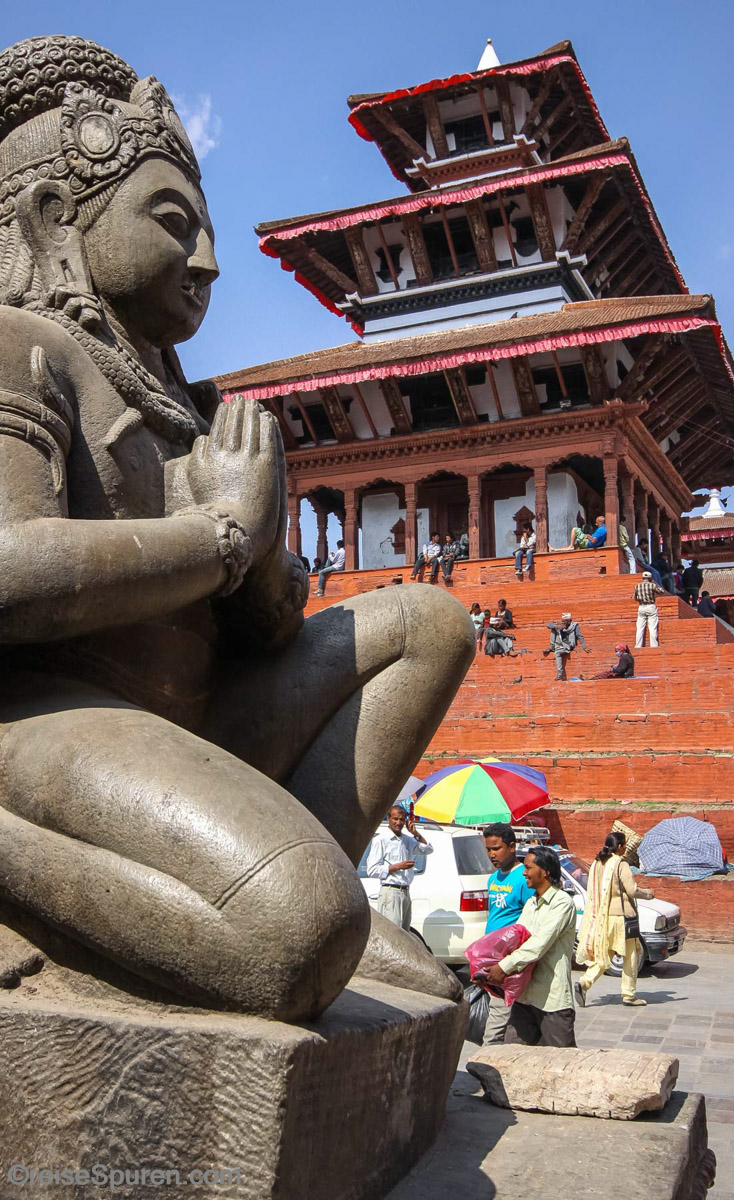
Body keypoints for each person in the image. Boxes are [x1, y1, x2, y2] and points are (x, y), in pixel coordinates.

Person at [0, 34, 476, 1020]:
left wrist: (260, 547)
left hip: (193, 711)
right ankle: (282, 906)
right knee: (293, 932)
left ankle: (293, 880)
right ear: (54, 218)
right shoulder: (23, 350)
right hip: (51, 713)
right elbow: (9, 569)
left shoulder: (199, 408)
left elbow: (263, 629)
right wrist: (220, 531)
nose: (208, 263)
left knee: (430, 624)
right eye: (173, 224)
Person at [484, 845, 577, 1047]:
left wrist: (504, 967)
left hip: (551, 999)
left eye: (528, 868)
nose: (524, 873)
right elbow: (516, 939)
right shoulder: (531, 903)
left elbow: (538, 944)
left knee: (562, 1060)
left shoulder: (562, 903)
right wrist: (487, 963)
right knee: (513, 1055)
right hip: (525, 997)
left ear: (545, 872)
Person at [575, 832, 650, 1008]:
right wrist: (648, 894)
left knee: (605, 953)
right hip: (622, 918)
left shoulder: (597, 863)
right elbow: (632, 890)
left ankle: (585, 982)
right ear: (620, 846)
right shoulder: (620, 864)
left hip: (603, 917)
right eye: (624, 845)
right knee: (630, 955)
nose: (625, 849)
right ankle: (629, 994)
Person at [480, 824, 534, 1045]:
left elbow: (530, 921)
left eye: (496, 848)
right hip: (491, 957)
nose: (492, 854)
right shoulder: (493, 879)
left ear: (512, 847)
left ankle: (487, 1056)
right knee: (502, 1015)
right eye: (488, 849)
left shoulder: (524, 879)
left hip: (509, 960)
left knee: (496, 1022)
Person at [365, 805, 433, 931]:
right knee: (392, 933)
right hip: (391, 892)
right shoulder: (381, 840)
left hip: (405, 892)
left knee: (405, 934)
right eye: (395, 819)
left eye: (401, 820)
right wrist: (397, 866)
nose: (398, 823)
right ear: (388, 819)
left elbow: (428, 849)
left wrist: (415, 833)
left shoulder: (407, 840)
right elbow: (372, 870)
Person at [543, 613, 590, 681]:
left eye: (565, 621)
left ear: (569, 621)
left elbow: (580, 636)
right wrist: (556, 626)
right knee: (553, 629)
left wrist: (584, 647)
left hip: (569, 644)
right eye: (562, 620)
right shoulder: (561, 624)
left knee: (557, 653)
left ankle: (559, 674)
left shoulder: (575, 626)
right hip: (560, 644)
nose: (563, 622)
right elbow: (548, 625)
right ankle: (551, 647)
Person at [634, 571, 667, 648]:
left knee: (639, 628)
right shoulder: (652, 585)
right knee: (652, 627)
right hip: (650, 606)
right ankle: (654, 645)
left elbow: (635, 598)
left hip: (641, 607)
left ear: (642, 578)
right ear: (650, 578)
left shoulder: (637, 586)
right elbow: (661, 591)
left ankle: (638, 645)